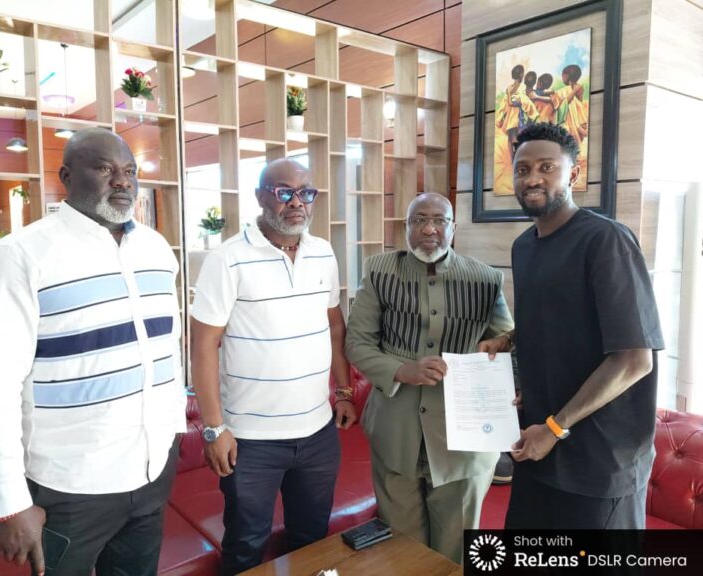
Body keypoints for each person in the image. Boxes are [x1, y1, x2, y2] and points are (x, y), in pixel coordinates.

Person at [0, 127, 187, 575]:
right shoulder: (20, 256)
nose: (122, 181)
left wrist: (173, 432)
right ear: (67, 176)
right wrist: (10, 503)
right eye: (105, 168)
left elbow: (167, 351)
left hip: (152, 472)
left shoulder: (157, 250)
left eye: (130, 170)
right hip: (70, 486)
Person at [191, 158, 356, 575]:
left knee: (312, 539)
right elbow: (203, 345)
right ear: (260, 196)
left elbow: (335, 326)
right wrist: (213, 428)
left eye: (306, 193)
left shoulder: (323, 252)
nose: (296, 202)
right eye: (284, 192)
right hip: (251, 440)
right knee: (246, 544)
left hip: (318, 434)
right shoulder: (228, 258)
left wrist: (344, 391)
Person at [496, 123, 664, 529]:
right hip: (536, 448)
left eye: (547, 167)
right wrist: (509, 339)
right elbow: (562, 319)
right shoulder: (523, 247)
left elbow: (634, 359)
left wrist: (555, 428)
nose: (532, 178)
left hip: (599, 465)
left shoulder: (607, 241)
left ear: (573, 173)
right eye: (522, 169)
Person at [345, 193, 513, 563]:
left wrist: (496, 353)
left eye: (439, 220)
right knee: (402, 547)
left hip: (464, 438)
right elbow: (357, 343)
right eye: (419, 220)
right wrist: (401, 370)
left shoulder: (486, 280)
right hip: (395, 430)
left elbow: (507, 345)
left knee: (457, 548)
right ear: (406, 227)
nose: (429, 229)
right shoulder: (380, 271)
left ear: (454, 228)